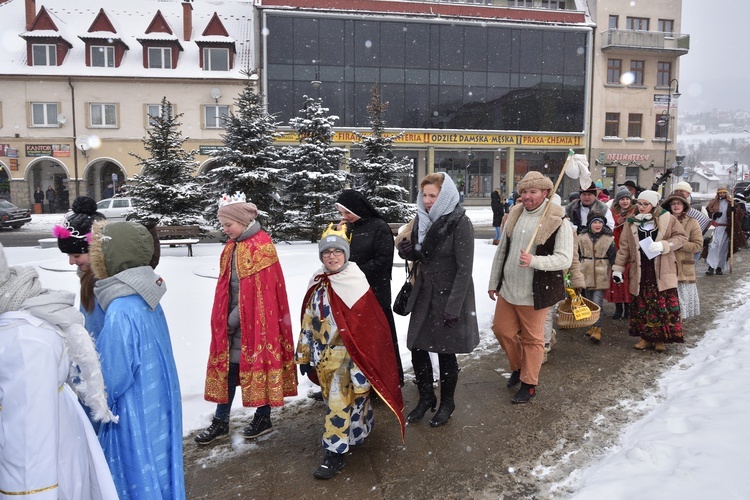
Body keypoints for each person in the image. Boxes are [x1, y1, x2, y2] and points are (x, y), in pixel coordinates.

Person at [0, 243, 118, 499]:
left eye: (76, 255)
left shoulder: (24, 341)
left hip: (45, 468)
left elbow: (30, 444)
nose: (72, 262)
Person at [296, 224, 405, 480]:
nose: (332, 257)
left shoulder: (355, 282)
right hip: (324, 359)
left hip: (350, 359)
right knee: (349, 402)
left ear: (346, 254)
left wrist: (364, 362)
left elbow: (370, 329)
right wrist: (303, 354)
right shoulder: (318, 281)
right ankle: (358, 432)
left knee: (338, 404)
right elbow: (309, 320)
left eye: (337, 251)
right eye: (326, 253)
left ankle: (334, 453)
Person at [88, 221, 185, 499]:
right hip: (156, 404)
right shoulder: (146, 296)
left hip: (132, 413)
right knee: (158, 466)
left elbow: (111, 380)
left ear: (110, 258)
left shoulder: (121, 309)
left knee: (137, 476)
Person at [198, 196, 298, 444]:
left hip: (255, 325)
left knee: (257, 365)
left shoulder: (260, 247)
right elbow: (230, 289)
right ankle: (221, 421)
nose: (224, 229)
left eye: (228, 224)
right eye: (222, 224)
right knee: (230, 370)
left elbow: (255, 297)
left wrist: (230, 321)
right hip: (234, 323)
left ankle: (263, 416)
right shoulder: (233, 246)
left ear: (242, 222)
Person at [396, 172, 478, 426]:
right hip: (424, 292)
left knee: (445, 352)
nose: (428, 200)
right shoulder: (421, 220)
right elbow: (425, 254)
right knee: (417, 347)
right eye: (425, 195)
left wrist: (453, 307)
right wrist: (409, 251)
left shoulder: (459, 222)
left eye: (434, 195)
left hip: (450, 294)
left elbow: (465, 269)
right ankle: (425, 397)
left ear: (446, 195)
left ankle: (447, 403)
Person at [488, 171, 573, 403]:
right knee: (502, 331)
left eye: (532, 192)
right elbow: (502, 251)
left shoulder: (558, 219)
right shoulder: (514, 213)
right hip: (508, 290)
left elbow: (564, 258)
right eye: (523, 191)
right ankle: (518, 367)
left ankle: (529, 383)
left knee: (533, 340)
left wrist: (535, 261)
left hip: (535, 292)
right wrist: (494, 282)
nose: (526, 196)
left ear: (545, 192)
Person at [335, 189, 403, 386]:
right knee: (354, 337)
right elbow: (337, 255)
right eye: (342, 213)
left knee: (379, 336)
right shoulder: (348, 227)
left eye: (348, 213)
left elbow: (383, 260)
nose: (345, 217)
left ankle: (387, 380)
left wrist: (353, 272)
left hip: (375, 290)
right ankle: (356, 380)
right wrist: (339, 235)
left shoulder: (379, 227)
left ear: (358, 208)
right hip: (351, 292)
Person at [612, 190, 687, 353]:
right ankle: (646, 337)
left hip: (662, 268)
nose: (641, 207)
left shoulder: (667, 218)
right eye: (639, 203)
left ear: (653, 204)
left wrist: (664, 245)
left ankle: (660, 339)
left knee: (661, 303)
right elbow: (624, 247)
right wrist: (618, 268)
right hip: (640, 269)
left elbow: (681, 238)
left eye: (645, 204)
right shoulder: (631, 222)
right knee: (643, 304)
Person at [54, 196, 108, 340]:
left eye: (76, 255)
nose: (71, 262)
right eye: (69, 256)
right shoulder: (89, 278)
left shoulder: (108, 284)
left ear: (96, 249)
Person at [662, 193, 703, 319]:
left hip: (683, 264)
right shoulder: (663, 221)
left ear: (684, 205)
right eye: (673, 203)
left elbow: (698, 245)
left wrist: (678, 244)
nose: (676, 206)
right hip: (666, 263)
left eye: (679, 203)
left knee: (682, 299)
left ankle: (679, 323)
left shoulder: (692, 222)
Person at [577, 211, 616, 342]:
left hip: (601, 272)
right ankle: (592, 326)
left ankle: (597, 329)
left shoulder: (609, 239)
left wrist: (616, 270)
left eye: (600, 222)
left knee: (597, 302)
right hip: (585, 271)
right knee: (588, 301)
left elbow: (613, 256)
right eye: (595, 222)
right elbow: (577, 254)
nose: (597, 225)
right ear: (590, 224)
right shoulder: (581, 237)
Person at [605, 187, 636, 320]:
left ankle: (628, 309)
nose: (625, 201)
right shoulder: (612, 212)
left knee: (628, 281)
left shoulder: (634, 212)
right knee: (617, 281)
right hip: (616, 250)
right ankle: (618, 308)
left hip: (629, 250)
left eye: (627, 199)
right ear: (618, 201)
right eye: (622, 199)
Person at [704, 187, 746, 275]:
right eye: (720, 193)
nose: (722, 195)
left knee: (723, 248)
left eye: (723, 193)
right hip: (714, 228)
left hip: (726, 229)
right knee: (713, 246)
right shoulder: (713, 203)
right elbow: (707, 213)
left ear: (726, 194)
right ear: (718, 194)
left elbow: (740, 214)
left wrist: (735, 211)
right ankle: (711, 266)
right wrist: (714, 215)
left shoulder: (731, 203)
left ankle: (719, 267)